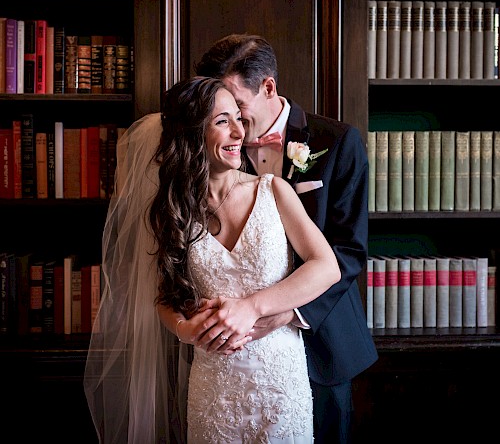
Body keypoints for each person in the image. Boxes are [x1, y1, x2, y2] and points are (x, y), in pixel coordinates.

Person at [84, 75, 341, 443]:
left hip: (280, 384)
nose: (240, 131)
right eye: (223, 121)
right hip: (214, 388)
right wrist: (184, 329)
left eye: (239, 116)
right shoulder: (171, 212)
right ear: (191, 134)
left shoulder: (273, 191)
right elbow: (163, 296)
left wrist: (251, 307)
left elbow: (326, 266)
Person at [194, 34, 379, 444]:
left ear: (269, 88)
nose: (233, 125)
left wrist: (287, 313)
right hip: (234, 355)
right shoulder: (217, 146)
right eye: (220, 114)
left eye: (238, 108)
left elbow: (348, 251)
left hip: (322, 343)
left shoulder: (338, 142)